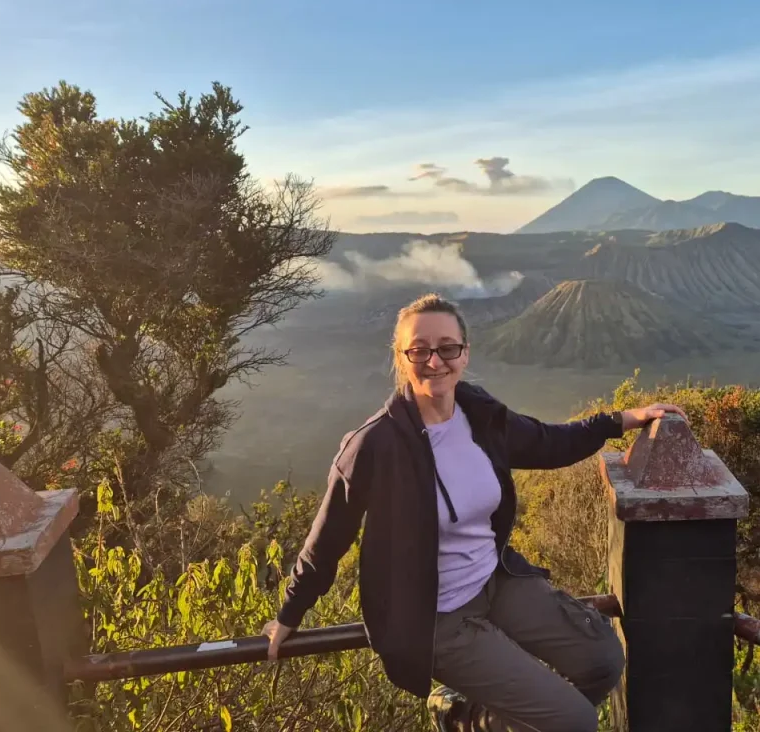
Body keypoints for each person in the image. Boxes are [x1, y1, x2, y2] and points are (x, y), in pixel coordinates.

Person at [261, 293, 688, 732]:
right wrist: (289, 614)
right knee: (575, 722)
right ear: (401, 358)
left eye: (447, 348)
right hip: (438, 617)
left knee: (603, 660)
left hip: (494, 580)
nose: (434, 361)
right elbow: (328, 539)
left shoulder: (478, 416)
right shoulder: (374, 445)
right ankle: (460, 715)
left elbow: (547, 441)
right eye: (419, 350)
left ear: (464, 355)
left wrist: (620, 420)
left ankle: (482, 719)